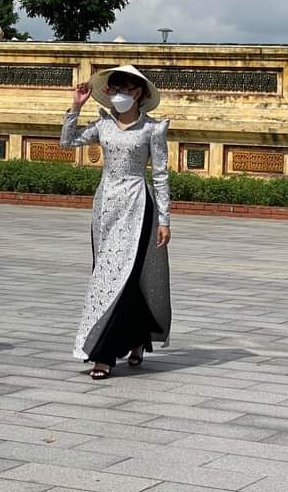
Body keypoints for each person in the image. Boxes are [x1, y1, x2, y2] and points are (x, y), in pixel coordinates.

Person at [61, 65, 172, 380]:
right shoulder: (103, 125)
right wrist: (75, 107)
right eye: (113, 89)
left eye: (124, 89)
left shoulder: (152, 129)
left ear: (138, 93)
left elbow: (161, 175)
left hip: (137, 206)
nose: (118, 95)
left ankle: (104, 354)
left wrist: (164, 219)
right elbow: (68, 142)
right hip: (105, 207)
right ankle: (137, 338)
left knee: (125, 274)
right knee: (108, 275)